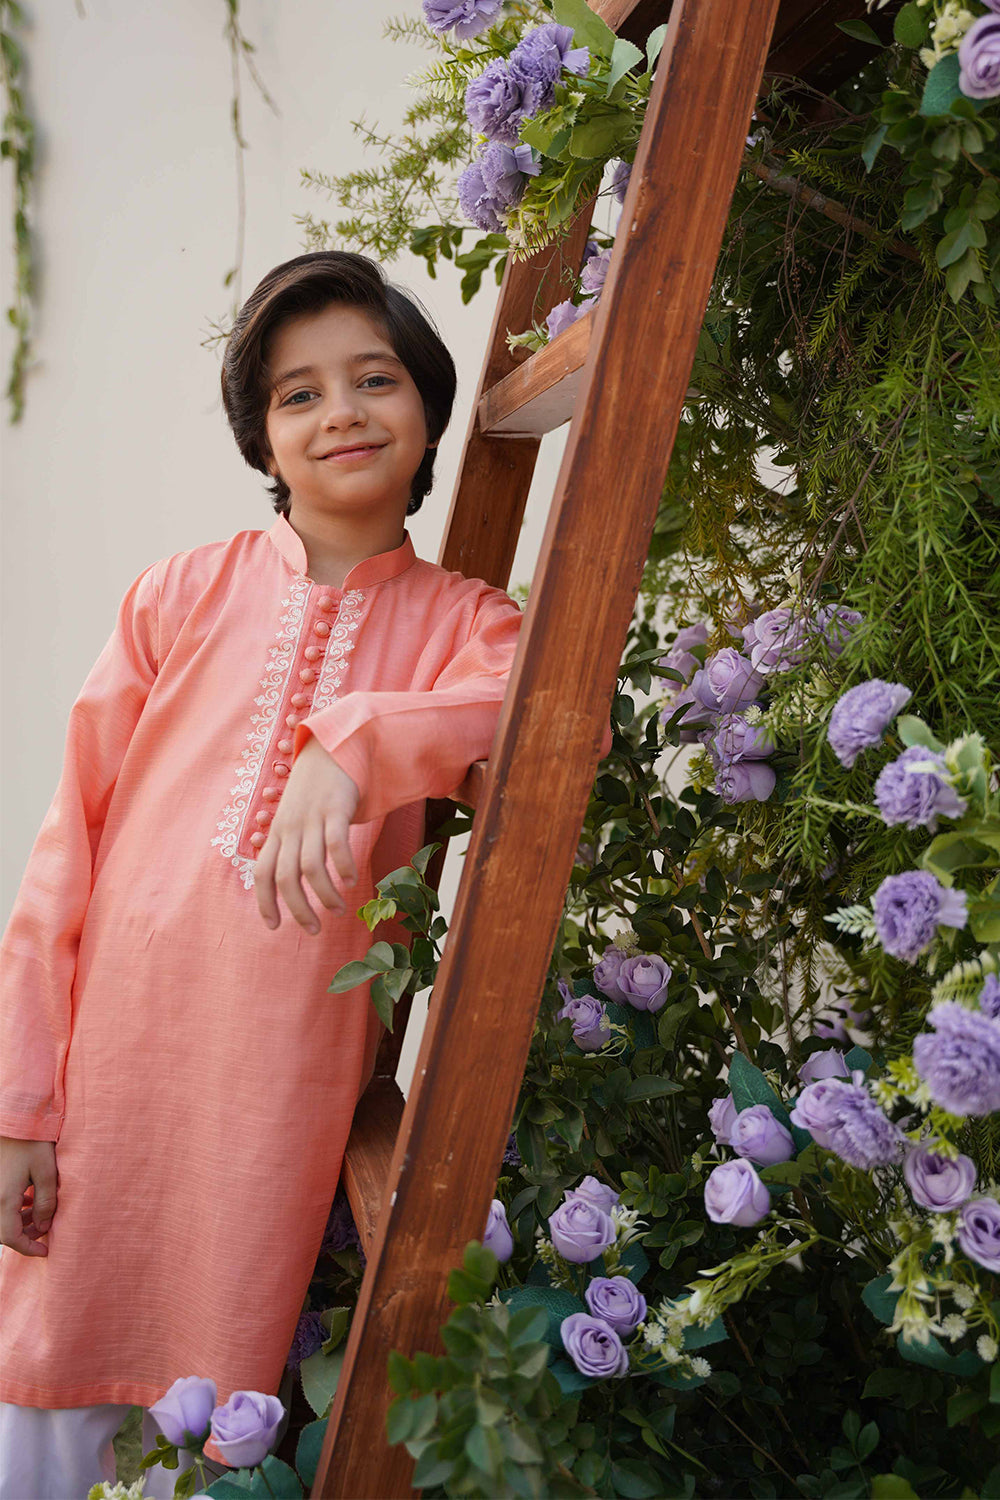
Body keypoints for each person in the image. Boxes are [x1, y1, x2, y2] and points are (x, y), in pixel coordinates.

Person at [0, 250, 530, 1498]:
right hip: (107, 1086)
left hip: (274, 1103)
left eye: (374, 378)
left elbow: (543, 711)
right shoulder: (177, 596)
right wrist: (20, 1108)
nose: (341, 411)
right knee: (47, 1380)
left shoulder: (468, 623)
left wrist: (353, 745)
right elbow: (62, 858)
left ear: (428, 405)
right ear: (263, 439)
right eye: (299, 394)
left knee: (210, 1417)